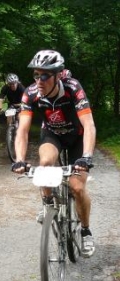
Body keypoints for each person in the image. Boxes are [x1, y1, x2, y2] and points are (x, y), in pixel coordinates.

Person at [12, 50, 96, 258]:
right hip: (52, 135)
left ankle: (85, 231)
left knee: (77, 187)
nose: (39, 80)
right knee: (46, 161)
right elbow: (22, 130)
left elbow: (89, 124)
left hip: (77, 137)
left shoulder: (72, 88)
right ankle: (48, 203)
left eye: (44, 75)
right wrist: (20, 160)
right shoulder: (30, 93)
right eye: (36, 75)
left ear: (58, 75)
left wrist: (86, 156)